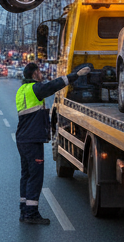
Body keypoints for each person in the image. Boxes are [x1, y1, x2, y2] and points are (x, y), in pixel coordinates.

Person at [16, 61, 90, 224]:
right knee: (35, 177)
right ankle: (31, 214)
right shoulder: (35, 89)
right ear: (34, 74)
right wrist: (75, 76)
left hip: (23, 139)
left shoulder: (22, 90)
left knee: (26, 175)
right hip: (32, 140)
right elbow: (53, 86)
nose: (41, 74)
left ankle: (24, 210)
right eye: (39, 72)